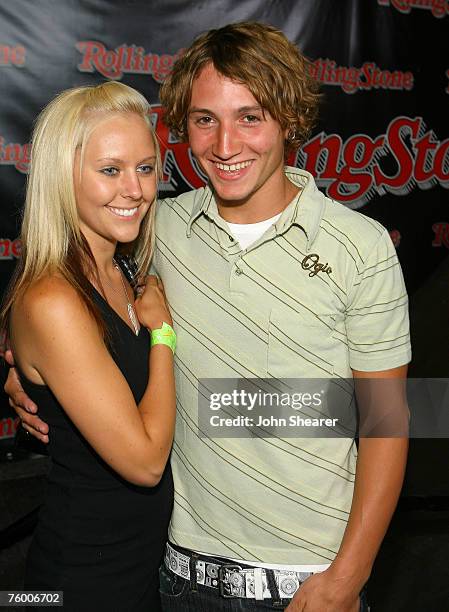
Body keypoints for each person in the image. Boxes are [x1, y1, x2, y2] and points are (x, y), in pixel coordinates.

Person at [6, 22, 411, 612]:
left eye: (250, 117)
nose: (225, 145)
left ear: (289, 120)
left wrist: (347, 577)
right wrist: (28, 373)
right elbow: (63, 297)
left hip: (306, 583)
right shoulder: (155, 230)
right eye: (204, 120)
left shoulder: (360, 246)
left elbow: (388, 420)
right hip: (175, 572)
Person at [1, 81, 177, 611]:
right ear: (63, 176)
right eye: (110, 170)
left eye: (145, 168)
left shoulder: (124, 266)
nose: (135, 189)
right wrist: (163, 335)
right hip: (82, 583)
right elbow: (145, 461)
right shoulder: (54, 297)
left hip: (143, 567)